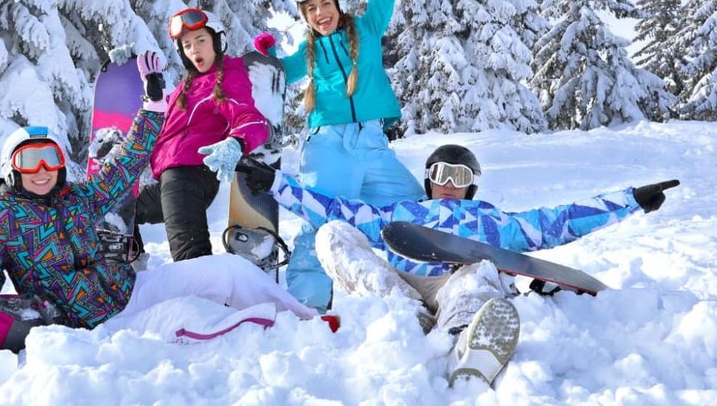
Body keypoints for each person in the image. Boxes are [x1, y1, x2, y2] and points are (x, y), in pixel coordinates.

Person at [0, 52, 315, 353]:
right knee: (195, 319)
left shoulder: (78, 198)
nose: (42, 170)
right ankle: (278, 339)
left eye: (50, 159)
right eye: (29, 161)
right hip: (99, 325)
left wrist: (153, 107)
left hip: (134, 287)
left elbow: (127, 162)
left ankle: (310, 323)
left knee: (229, 271)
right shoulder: (3, 218)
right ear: (12, 168)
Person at [237, 143, 681, 387]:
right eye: (441, 175)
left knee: (481, 271)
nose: (449, 184)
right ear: (428, 180)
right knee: (332, 233)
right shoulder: (401, 213)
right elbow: (334, 209)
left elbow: (559, 220)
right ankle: (403, 318)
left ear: (471, 186)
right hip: (401, 282)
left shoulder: (494, 221)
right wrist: (275, 183)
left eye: (460, 177)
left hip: (457, 280)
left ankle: (465, 340)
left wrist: (630, 202)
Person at [250, 0, 438, 310]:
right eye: (311, 9)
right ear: (305, 17)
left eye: (325, 3)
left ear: (337, 3)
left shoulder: (368, 29)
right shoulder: (310, 52)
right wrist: (265, 58)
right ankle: (308, 307)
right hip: (328, 146)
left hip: (372, 144)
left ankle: (432, 286)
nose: (320, 13)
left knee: (416, 212)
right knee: (320, 223)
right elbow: (280, 74)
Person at [135, 7, 272, 262]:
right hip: (170, 179)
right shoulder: (184, 88)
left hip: (193, 176)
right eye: (187, 45)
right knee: (121, 209)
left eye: (200, 41)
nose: (194, 49)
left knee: (190, 258)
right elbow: (162, 131)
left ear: (217, 41)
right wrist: (153, 98)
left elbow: (252, 119)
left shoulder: (227, 76)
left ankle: (202, 298)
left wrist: (236, 142)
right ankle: (131, 266)